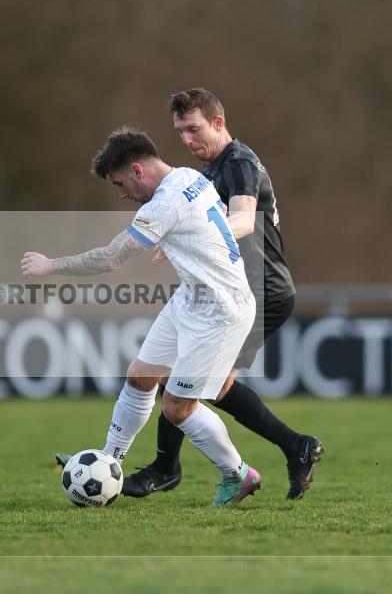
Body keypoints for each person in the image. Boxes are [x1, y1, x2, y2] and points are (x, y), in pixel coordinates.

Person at [24, 127, 262, 505]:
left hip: (221, 311)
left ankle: (238, 474)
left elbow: (111, 258)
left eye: (120, 184)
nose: (121, 194)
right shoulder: (189, 176)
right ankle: (109, 464)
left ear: (137, 170)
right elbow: (205, 225)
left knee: (177, 409)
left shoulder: (163, 205)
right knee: (140, 376)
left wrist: (51, 266)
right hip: (192, 298)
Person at [122, 88, 323, 500]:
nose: (186, 140)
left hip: (260, 291)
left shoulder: (238, 163)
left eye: (193, 129)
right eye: (179, 132)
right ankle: (296, 446)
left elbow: (245, 221)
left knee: (184, 382)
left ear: (218, 123)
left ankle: (166, 468)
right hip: (232, 291)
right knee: (195, 382)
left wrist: (197, 238)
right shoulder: (209, 171)